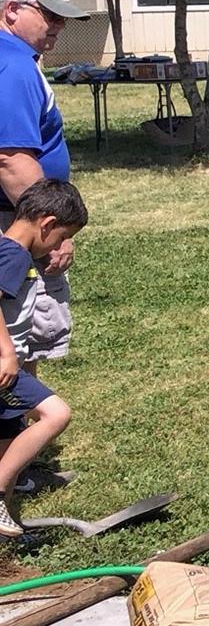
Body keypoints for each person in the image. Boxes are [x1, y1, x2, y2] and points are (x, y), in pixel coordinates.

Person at [0, 0, 90, 381]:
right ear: (12, 9)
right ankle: (14, 439)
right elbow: (11, 160)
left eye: (63, 19)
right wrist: (49, 235)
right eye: (50, 15)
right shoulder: (12, 66)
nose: (59, 27)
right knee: (15, 340)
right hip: (15, 222)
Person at [1, 179, 88, 537]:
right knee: (56, 413)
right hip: (3, 366)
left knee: (8, 437)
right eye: (61, 236)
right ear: (47, 224)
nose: (58, 247)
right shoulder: (14, 253)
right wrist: (7, 354)